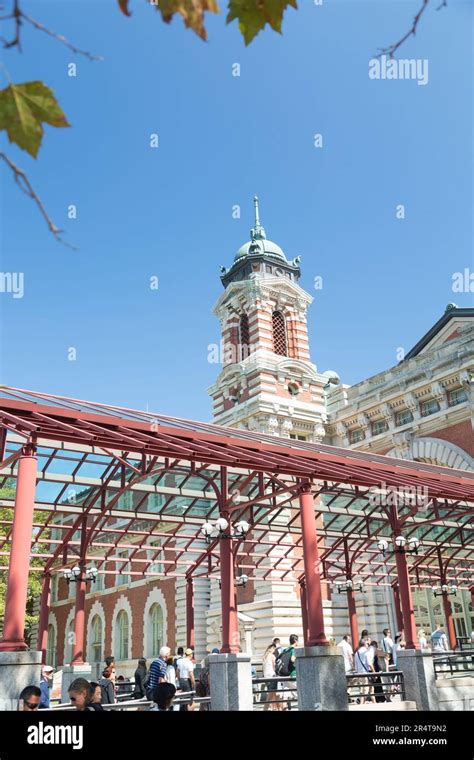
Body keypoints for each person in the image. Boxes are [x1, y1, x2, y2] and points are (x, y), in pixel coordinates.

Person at [262, 643, 282, 711]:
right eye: (274, 649)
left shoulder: (265, 656)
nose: (275, 650)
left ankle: (278, 708)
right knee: (271, 694)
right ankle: (265, 709)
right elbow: (275, 667)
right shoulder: (272, 656)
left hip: (266, 677)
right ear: (272, 649)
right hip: (272, 676)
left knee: (273, 694)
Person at [354, 639, 375, 704]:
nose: (368, 645)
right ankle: (361, 703)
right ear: (364, 644)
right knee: (366, 689)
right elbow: (369, 664)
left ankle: (374, 702)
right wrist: (374, 672)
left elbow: (356, 664)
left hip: (359, 673)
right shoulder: (366, 652)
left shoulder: (356, 653)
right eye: (367, 644)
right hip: (366, 673)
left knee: (365, 689)